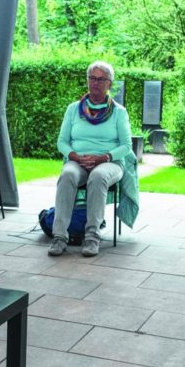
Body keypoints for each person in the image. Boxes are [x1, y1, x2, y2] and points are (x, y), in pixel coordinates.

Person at [49, 60, 139, 257]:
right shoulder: (73, 109)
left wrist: (103, 157)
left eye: (101, 79)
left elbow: (126, 146)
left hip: (109, 162)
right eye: (92, 78)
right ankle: (59, 236)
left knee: (98, 177)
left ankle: (92, 237)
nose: (95, 83)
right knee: (67, 175)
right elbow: (62, 142)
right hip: (78, 160)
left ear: (109, 84)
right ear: (87, 80)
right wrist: (74, 156)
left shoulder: (119, 112)